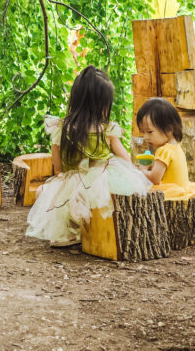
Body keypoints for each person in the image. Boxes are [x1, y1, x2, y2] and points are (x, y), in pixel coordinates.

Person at [25, 65, 152, 246]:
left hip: (69, 181)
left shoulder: (60, 129)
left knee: (45, 194)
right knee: (104, 196)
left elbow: (58, 168)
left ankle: (69, 233)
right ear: (102, 104)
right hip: (98, 183)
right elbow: (125, 160)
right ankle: (93, 229)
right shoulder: (108, 129)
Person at [136, 97, 195, 201]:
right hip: (181, 187)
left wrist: (142, 171)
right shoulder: (176, 147)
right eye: (143, 132)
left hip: (170, 192)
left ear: (168, 129)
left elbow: (155, 178)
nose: (145, 137)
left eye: (149, 132)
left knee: (139, 190)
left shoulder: (163, 150)